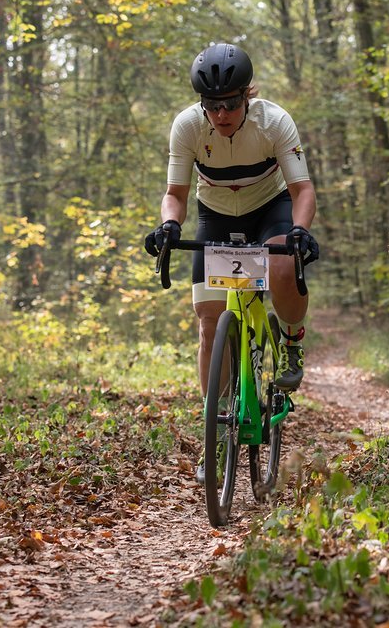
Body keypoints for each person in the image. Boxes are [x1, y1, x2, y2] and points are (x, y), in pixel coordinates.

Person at [144, 43, 319, 485]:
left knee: (282, 266)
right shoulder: (187, 127)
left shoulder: (274, 121)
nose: (221, 114)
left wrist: (299, 231)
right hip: (216, 214)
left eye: (231, 104)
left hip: (269, 207)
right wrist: (169, 225)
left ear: (247, 97)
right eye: (212, 106)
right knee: (209, 319)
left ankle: (292, 340)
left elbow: (302, 191)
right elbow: (176, 194)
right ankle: (217, 434)